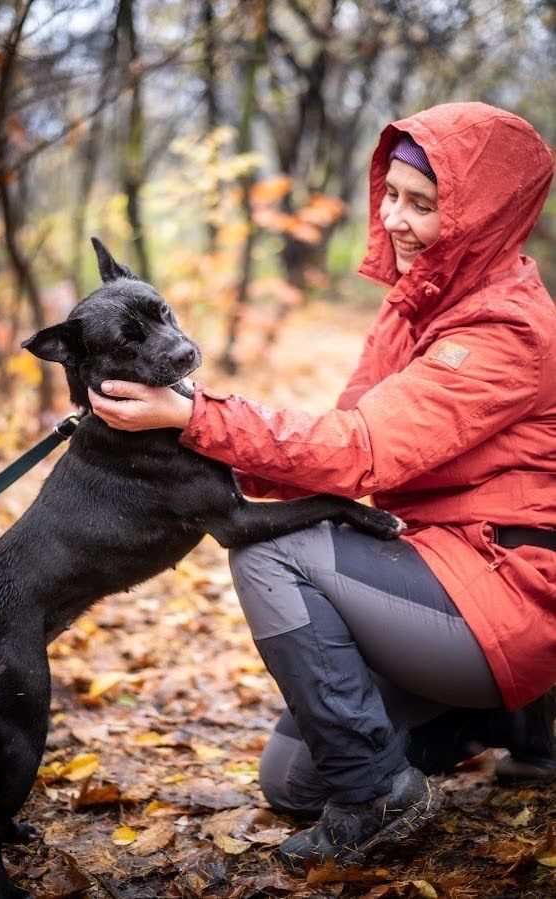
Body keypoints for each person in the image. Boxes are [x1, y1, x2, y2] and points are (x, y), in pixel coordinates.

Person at [89, 102, 556, 869]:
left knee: (271, 551)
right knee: (294, 781)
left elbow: (362, 451)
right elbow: (334, 438)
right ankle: (494, 722)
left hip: (505, 588)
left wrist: (196, 415)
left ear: (483, 214)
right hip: (441, 570)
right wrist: (186, 434)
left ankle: (382, 796)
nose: (396, 219)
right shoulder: (420, 302)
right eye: (392, 195)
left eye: (424, 204)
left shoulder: (501, 328)